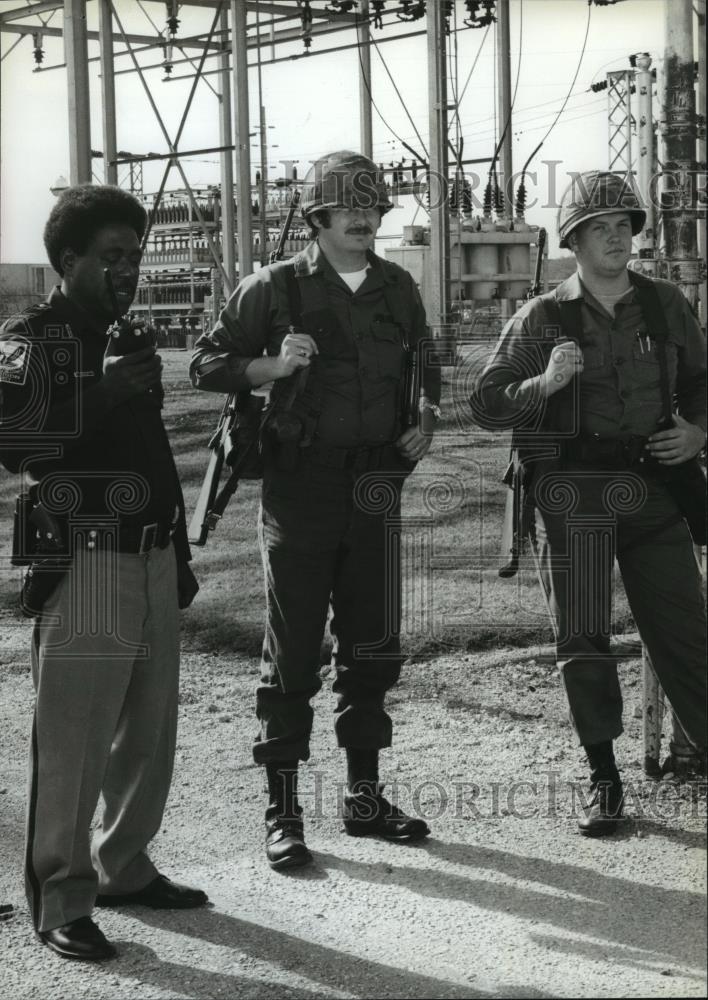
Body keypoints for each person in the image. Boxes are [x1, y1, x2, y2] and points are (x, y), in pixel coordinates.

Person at [190, 150, 441, 870]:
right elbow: (207, 363)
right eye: (350, 209)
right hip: (300, 491)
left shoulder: (398, 288)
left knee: (370, 646)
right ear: (320, 217)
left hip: (374, 489)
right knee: (293, 649)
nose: (365, 220)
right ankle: (284, 812)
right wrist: (269, 367)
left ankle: (364, 801)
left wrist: (423, 413)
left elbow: (423, 365)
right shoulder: (271, 288)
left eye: (374, 209)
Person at [0, 185, 207, 962]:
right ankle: (60, 895)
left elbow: (149, 454)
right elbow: (14, 442)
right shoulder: (33, 335)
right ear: (68, 261)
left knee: (148, 732)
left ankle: (124, 865)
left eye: (135, 255)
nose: (128, 269)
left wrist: (177, 555)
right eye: (112, 257)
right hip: (85, 557)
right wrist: (105, 388)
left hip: (150, 553)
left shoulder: (129, 334)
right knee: (77, 737)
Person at [471, 170, 707, 837]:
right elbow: (487, 404)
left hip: (652, 488)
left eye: (624, 225)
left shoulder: (664, 305)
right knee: (583, 639)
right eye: (600, 227)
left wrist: (697, 431)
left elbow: (700, 382)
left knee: (686, 631)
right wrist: (545, 382)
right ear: (574, 240)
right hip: (571, 496)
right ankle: (604, 777)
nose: (616, 237)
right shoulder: (543, 316)